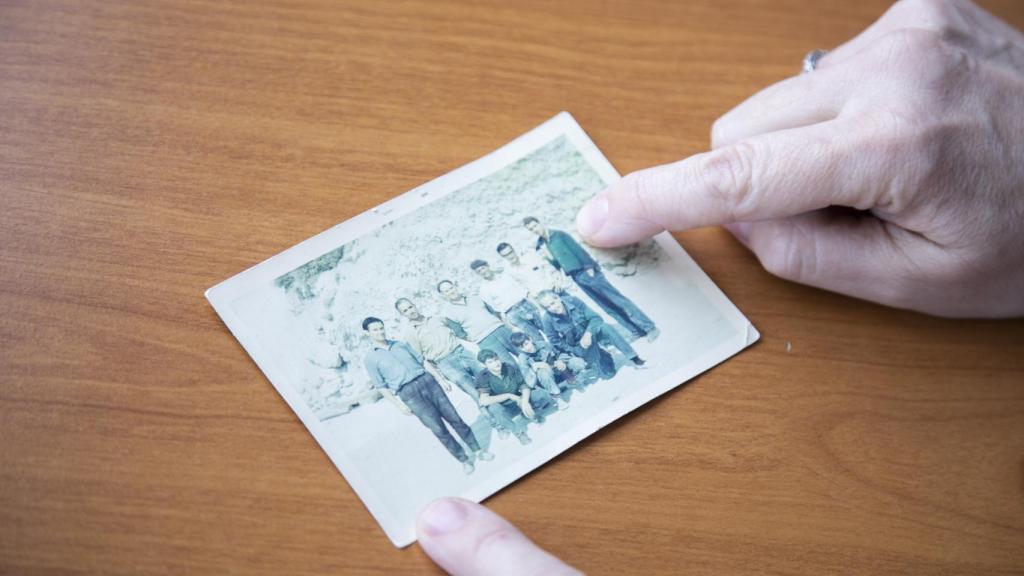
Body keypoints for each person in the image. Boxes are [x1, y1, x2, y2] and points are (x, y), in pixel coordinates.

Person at [416, 2, 1024, 573]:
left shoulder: (549, 248)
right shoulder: (496, 293)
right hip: (535, 311)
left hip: (572, 288)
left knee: (603, 322)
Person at [360, 317, 493, 475]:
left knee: (455, 418)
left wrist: (440, 380)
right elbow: (381, 387)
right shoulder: (370, 359)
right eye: (375, 329)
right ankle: (464, 460)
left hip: (429, 383)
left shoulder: (401, 345)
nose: (380, 331)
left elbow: (423, 362)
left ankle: (478, 450)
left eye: (381, 328)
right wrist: (400, 405)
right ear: (367, 333)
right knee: (438, 429)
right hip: (409, 394)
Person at [523, 216, 660, 342]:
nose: (534, 230)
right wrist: (546, 257)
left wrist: (590, 269)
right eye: (530, 229)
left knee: (618, 300)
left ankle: (650, 328)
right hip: (576, 277)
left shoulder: (559, 235)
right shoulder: (544, 244)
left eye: (534, 226)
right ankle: (635, 331)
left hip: (587, 272)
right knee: (607, 306)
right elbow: (558, 265)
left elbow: (578, 250)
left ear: (540, 223)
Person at [395, 297, 506, 435]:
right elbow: (422, 359)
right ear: (403, 315)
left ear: (415, 305)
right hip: (445, 363)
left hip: (462, 352)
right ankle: (498, 426)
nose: (410, 311)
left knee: (491, 379)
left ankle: (507, 408)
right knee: (476, 393)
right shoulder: (410, 334)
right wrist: (440, 378)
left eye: (410, 307)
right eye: (405, 310)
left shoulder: (436, 318)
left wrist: (473, 338)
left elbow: (458, 329)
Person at [537, 290, 646, 376]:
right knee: (608, 374)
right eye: (548, 307)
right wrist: (574, 350)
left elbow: (596, 318)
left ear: (558, 297)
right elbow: (554, 340)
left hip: (592, 332)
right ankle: (603, 355)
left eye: (553, 303)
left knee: (606, 328)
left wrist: (588, 334)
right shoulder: (547, 319)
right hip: (580, 345)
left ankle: (634, 357)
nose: (553, 308)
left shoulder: (573, 300)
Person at [474, 349, 558, 445]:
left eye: (496, 359)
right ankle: (518, 433)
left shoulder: (508, 367)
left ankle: (530, 413)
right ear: (484, 365)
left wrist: (525, 401)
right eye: (490, 362)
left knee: (542, 394)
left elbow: (523, 386)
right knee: (494, 409)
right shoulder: (482, 377)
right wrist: (509, 395)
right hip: (505, 408)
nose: (496, 363)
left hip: (519, 400)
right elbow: (484, 400)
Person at [437, 279, 521, 366]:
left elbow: (493, 312)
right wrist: (474, 337)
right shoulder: (448, 313)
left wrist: (504, 325)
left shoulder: (475, 297)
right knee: (508, 365)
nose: (451, 291)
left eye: (451, 288)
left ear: (455, 287)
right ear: (443, 295)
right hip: (486, 341)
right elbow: (459, 333)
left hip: (501, 330)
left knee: (524, 353)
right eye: (447, 291)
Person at [470, 259, 547, 345]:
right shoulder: (483, 290)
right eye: (479, 271)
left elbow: (524, 291)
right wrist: (511, 327)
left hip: (526, 304)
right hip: (513, 314)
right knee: (535, 338)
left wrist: (539, 307)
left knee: (548, 327)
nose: (482, 272)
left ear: (488, 266)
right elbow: (497, 311)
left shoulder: (505, 275)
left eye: (483, 268)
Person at [509, 331, 589, 402]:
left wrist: (561, 360)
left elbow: (560, 353)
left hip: (560, 371)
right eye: (522, 347)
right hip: (546, 380)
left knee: (578, 363)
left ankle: (573, 380)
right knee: (542, 372)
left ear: (530, 339)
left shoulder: (543, 344)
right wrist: (533, 369)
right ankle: (558, 398)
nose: (526, 348)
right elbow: (529, 382)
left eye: (526, 344)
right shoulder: (522, 359)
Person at [496, 241, 569, 298]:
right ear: (503, 257)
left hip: (556, 289)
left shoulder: (531, 258)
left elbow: (550, 268)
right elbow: (521, 289)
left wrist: (557, 282)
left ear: (514, 250)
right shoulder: (511, 272)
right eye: (506, 255)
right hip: (542, 299)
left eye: (510, 252)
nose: (510, 256)